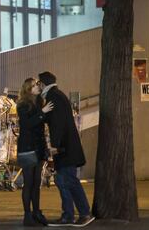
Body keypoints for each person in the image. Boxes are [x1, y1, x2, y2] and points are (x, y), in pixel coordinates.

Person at [38, 71, 95, 227]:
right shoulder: (57, 95)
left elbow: (57, 123)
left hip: (64, 148)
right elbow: (51, 119)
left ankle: (79, 214)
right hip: (67, 147)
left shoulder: (53, 97)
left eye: (38, 84)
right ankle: (72, 214)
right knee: (66, 180)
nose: (37, 87)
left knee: (66, 180)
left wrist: (55, 146)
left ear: (43, 84)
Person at [17, 77, 54, 226]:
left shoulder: (39, 102)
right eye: (34, 85)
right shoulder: (23, 105)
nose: (38, 87)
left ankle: (37, 212)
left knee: (37, 182)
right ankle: (27, 215)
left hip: (39, 147)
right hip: (27, 147)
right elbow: (27, 125)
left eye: (37, 84)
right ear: (28, 89)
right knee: (29, 182)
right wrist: (42, 112)